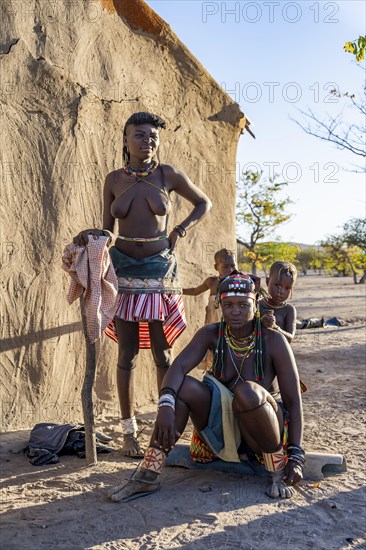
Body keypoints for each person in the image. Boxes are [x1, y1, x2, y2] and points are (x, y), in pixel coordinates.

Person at [73, 111, 212, 457]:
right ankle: (129, 432)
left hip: (158, 271)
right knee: (127, 353)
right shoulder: (113, 180)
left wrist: (180, 230)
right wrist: (88, 236)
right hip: (122, 271)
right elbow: (107, 229)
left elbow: (203, 203)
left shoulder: (167, 175)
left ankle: (166, 424)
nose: (147, 141)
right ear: (125, 140)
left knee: (163, 354)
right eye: (139, 135)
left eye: (152, 136)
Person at [108, 272, 304, 502]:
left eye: (243, 304)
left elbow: (293, 401)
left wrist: (296, 456)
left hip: (261, 433)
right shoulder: (211, 334)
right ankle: (148, 474)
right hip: (220, 431)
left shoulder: (273, 340)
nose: (235, 311)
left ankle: (276, 472)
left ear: (255, 304)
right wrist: (165, 405)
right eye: (228, 305)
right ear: (220, 305)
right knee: (181, 388)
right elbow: (178, 368)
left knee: (247, 392)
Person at [183, 248, 237, 324]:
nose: (230, 269)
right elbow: (195, 291)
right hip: (212, 320)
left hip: (230, 322)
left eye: (233, 266)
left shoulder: (238, 282)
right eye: (225, 266)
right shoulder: (212, 281)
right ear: (216, 267)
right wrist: (177, 291)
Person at [260, 261, 298, 344]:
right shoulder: (257, 305)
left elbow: (290, 338)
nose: (281, 291)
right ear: (267, 281)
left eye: (287, 288)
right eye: (277, 285)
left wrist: (275, 327)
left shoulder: (289, 310)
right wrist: (260, 322)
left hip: (279, 353)